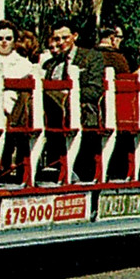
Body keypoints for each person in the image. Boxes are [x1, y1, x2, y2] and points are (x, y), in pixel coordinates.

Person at [42, 19, 109, 180]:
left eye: (65, 38)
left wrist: (68, 94)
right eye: (57, 39)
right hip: (52, 113)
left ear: (75, 36)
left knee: (43, 94)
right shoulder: (51, 64)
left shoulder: (91, 57)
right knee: (33, 94)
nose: (61, 42)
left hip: (82, 111)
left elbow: (94, 91)